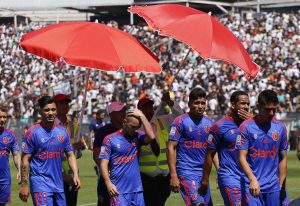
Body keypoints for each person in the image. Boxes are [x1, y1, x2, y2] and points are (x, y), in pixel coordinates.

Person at [19, 95, 80, 205]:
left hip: (58, 184)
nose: (50, 113)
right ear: (40, 111)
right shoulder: (32, 133)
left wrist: (75, 174)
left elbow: (70, 155)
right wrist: (24, 184)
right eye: (47, 110)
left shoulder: (63, 132)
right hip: (40, 184)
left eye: (53, 109)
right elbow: (25, 160)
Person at [198, 91, 252, 206]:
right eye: (242, 103)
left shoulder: (253, 125)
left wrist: (254, 122)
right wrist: (205, 180)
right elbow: (209, 154)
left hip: (250, 179)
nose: (246, 107)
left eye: (248, 104)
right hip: (230, 178)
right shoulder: (220, 126)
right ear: (232, 105)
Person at [236, 90, 289, 206]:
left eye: (274, 109)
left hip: (273, 187)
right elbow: (241, 157)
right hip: (252, 186)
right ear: (258, 107)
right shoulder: (245, 127)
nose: (271, 113)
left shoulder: (281, 127)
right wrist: (252, 179)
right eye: (267, 109)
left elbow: (283, 158)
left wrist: (281, 184)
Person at [167, 88, 214, 206]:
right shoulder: (180, 121)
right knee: (198, 204)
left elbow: (212, 150)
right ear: (189, 104)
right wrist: (173, 175)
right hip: (186, 170)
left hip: (204, 173)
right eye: (196, 103)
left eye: (203, 103)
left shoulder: (209, 123)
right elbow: (170, 147)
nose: (200, 106)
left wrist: (220, 170)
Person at [99, 109, 155, 206]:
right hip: (118, 190)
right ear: (124, 122)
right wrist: (108, 183)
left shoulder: (137, 137)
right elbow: (103, 163)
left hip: (137, 190)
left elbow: (151, 136)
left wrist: (142, 115)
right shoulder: (110, 139)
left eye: (138, 127)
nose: (135, 130)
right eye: (133, 127)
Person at [137, 92, 182, 206]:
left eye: (150, 107)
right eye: (145, 108)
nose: (148, 110)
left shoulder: (162, 121)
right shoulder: (136, 126)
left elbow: (180, 117)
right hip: (146, 177)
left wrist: (171, 103)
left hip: (164, 176)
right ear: (139, 110)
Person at [93, 101, 126, 206]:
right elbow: (97, 155)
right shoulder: (103, 132)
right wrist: (108, 172)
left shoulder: (130, 130)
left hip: (127, 179)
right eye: (119, 111)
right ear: (111, 114)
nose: (123, 113)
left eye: (124, 110)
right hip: (108, 178)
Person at [54, 93, 83, 206]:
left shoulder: (74, 126)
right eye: (61, 103)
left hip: (72, 175)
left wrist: (79, 149)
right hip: (55, 175)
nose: (65, 105)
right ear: (55, 105)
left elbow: (77, 155)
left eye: (66, 102)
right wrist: (71, 147)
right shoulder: (49, 126)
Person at [0, 108, 20, 206]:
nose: (2, 120)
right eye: (0, 117)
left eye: (4, 117)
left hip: (4, 179)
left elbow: (16, 155)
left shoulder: (11, 135)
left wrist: (20, 170)